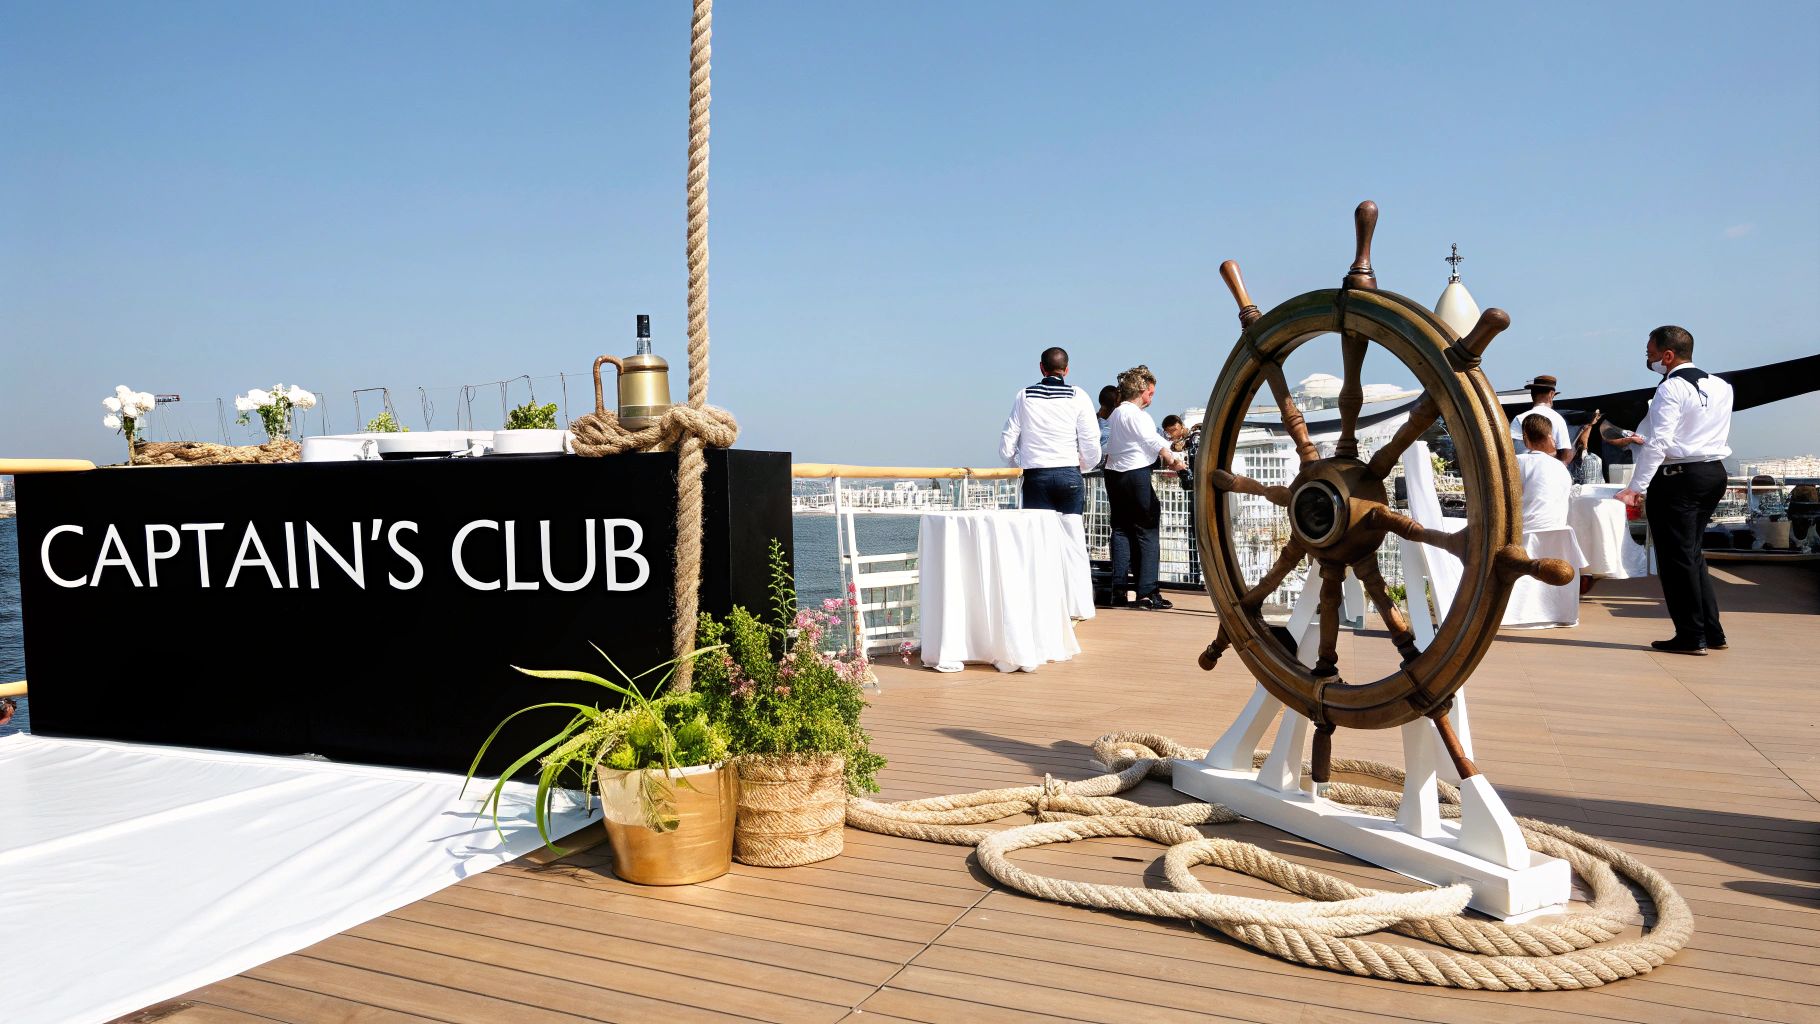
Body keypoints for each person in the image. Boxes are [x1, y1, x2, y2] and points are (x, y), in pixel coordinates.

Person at [1616, 325, 1735, 655]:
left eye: (1651, 353)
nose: (1649, 358)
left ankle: (1690, 635)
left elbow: (1660, 443)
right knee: (1692, 554)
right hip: (1713, 473)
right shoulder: (1722, 386)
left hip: (1678, 478)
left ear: (1668, 356)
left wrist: (1635, 488)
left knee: (1675, 560)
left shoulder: (1670, 388)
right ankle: (1711, 631)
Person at [1104, 366, 1187, 609]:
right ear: (1142, 391)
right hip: (1135, 474)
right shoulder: (1138, 416)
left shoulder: (1117, 414)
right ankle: (1148, 591)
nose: (1151, 398)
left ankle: (1118, 591)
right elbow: (1151, 441)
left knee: (1120, 530)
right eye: (1150, 393)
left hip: (1114, 475)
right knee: (1147, 531)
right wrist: (1174, 460)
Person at [999, 347, 1101, 513]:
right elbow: (1090, 440)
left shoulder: (1024, 396)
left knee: (1039, 534)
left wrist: (1017, 464)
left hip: (1035, 475)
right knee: (1071, 533)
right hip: (1069, 473)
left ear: (1041, 367)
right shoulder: (1078, 395)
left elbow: (1007, 443)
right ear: (1066, 370)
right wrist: (1081, 466)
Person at [1509, 374, 1597, 466]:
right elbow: (1565, 456)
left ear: (1532, 395)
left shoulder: (1519, 419)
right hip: (1548, 474)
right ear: (1551, 394)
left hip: (1522, 473)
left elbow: (1511, 450)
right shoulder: (1558, 419)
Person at [1516, 414, 1573, 532]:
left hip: (1524, 537)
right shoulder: (1561, 468)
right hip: (1558, 537)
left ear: (1525, 438)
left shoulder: (1517, 462)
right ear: (1549, 436)